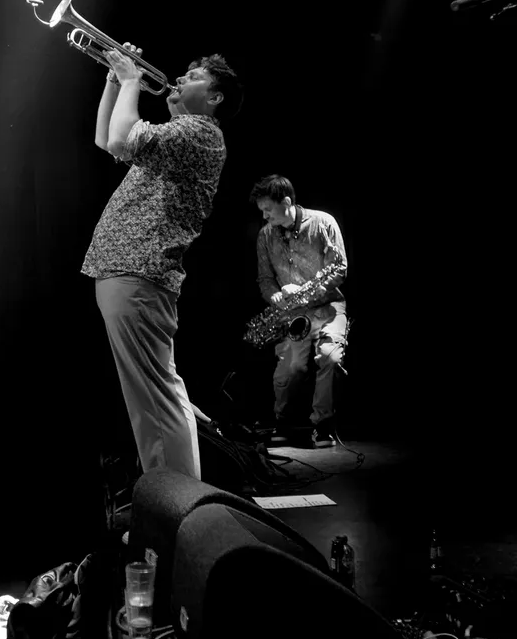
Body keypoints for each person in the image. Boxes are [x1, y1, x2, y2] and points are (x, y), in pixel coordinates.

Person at [85, 44, 243, 479]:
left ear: (214, 97)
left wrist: (131, 80)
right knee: (153, 400)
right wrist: (114, 81)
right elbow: (107, 140)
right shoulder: (176, 137)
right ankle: (171, 496)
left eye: (194, 77)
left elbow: (121, 138)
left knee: (158, 401)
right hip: (129, 271)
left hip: (139, 271)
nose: (180, 78)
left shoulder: (199, 132)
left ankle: (177, 500)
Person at [251, 175, 349, 448]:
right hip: (293, 313)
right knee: (290, 369)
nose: (264, 215)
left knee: (330, 357)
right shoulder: (265, 235)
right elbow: (265, 280)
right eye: (262, 210)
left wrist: (305, 290)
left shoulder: (324, 223)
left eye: (268, 209)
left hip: (328, 307)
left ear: (286, 202)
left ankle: (324, 426)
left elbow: (340, 268)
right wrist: (276, 295)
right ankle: (284, 422)